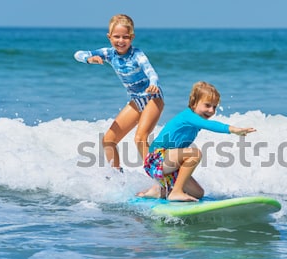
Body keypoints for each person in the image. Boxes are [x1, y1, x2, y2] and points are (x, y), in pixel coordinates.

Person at [74, 14, 164, 170]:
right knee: (109, 140)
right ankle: (117, 179)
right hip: (137, 101)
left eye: (125, 37)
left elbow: (151, 71)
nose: (121, 41)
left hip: (152, 98)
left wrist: (153, 83)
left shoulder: (137, 54)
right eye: (116, 36)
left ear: (132, 37)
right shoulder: (109, 53)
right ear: (109, 37)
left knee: (140, 138)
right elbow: (78, 54)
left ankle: (162, 177)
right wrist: (89, 59)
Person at [140, 81, 256, 202]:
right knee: (195, 153)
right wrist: (233, 129)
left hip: (169, 162)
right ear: (194, 103)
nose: (211, 110)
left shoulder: (195, 120)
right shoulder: (188, 116)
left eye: (214, 107)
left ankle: (159, 191)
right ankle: (176, 192)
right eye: (207, 105)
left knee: (198, 193)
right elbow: (209, 125)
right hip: (156, 158)